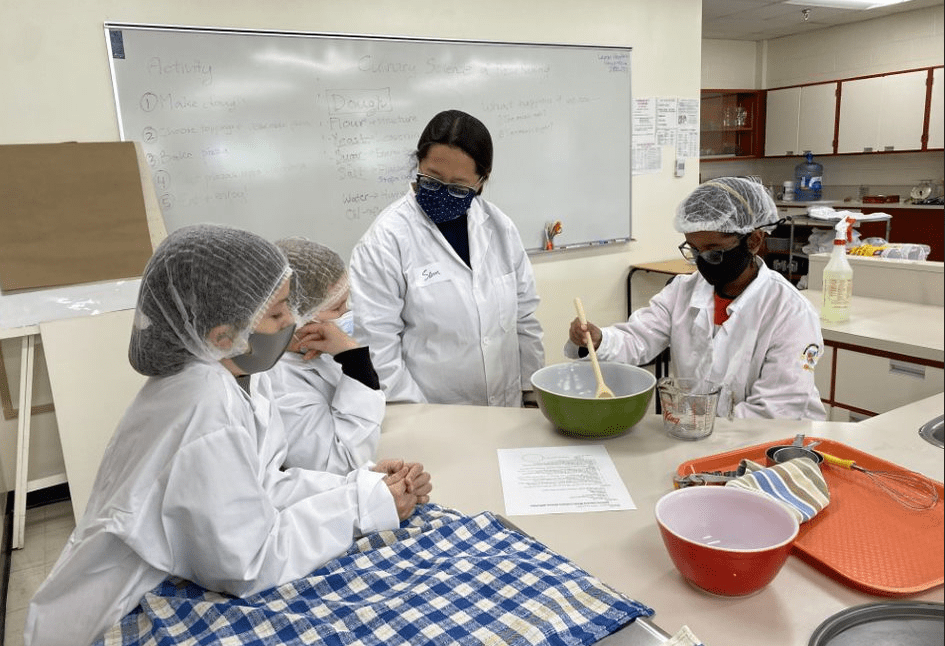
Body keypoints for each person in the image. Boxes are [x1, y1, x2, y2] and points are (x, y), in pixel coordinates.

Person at [25, 224, 432, 646]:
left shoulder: (226, 377)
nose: (293, 319)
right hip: (118, 611)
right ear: (223, 335)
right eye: (277, 313)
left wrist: (359, 485)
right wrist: (361, 508)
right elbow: (248, 563)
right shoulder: (202, 409)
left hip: (166, 572)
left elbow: (262, 483)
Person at [567, 177, 827, 420]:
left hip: (769, 446)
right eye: (694, 250)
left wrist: (701, 428)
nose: (703, 261)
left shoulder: (790, 312)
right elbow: (638, 338)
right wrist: (599, 339)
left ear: (754, 240)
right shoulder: (683, 290)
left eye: (715, 252)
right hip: (699, 435)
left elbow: (776, 409)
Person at [349, 109, 545, 407]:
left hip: (507, 410)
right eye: (431, 179)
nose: (441, 193)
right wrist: (420, 418)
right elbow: (378, 347)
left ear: (481, 181)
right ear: (419, 164)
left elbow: (525, 320)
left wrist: (531, 395)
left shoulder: (500, 228)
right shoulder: (385, 240)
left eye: (457, 187)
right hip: (432, 417)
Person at [269, 236, 383, 474]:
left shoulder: (317, 351)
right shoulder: (280, 383)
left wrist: (349, 354)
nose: (346, 313)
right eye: (336, 308)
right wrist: (355, 359)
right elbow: (340, 464)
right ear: (294, 314)